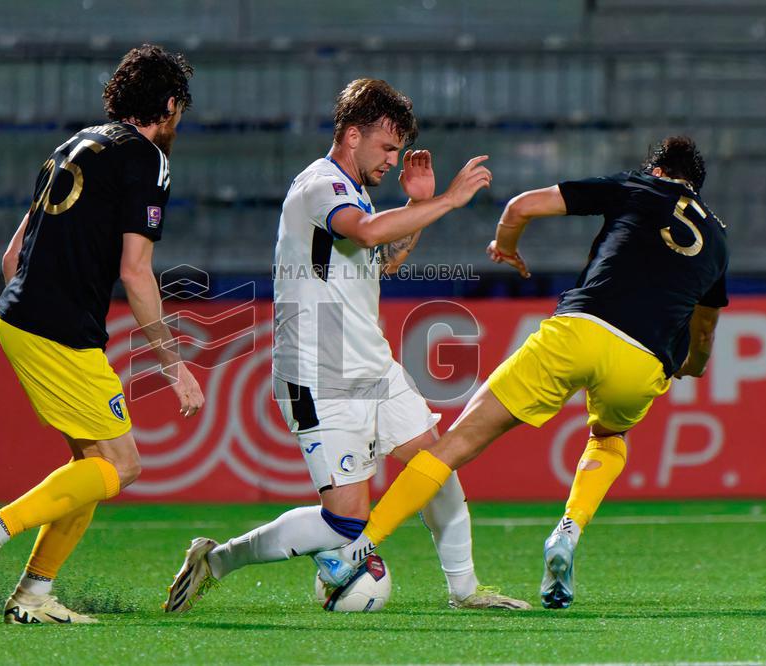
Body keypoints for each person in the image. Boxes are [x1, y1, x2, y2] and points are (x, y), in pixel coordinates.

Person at [314, 135, 729, 610]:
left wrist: (505, 245)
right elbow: (703, 333)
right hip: (644, 362)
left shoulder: (636, 188)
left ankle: (357, 551)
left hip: (581, 329)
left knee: (454, 445)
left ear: (656, 171)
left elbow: (522, 205)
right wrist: (690, 367)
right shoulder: (718, 238)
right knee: (609, 438)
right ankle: (568, 532)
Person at [164, 78, 529, 614]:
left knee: (435, 465)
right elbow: (364, 233)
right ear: (352, 135)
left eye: (398, 150)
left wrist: (415, 205)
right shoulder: (319, 185)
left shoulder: (354, 191)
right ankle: (215, 561)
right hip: (318, 372)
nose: (392, 160)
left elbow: (386, 259)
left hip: (371, 364)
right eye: (386, 148)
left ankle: (466, 591)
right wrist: (448, 201)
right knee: (345, 522)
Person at [0, 44, 204, 624]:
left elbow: (12, 254)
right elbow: (136, 272)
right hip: (59, 330)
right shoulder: (149, 160)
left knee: (89, 464)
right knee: (123, 465)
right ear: (169, 105)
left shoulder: (75, 144)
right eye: (179, 110)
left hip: (18, 316)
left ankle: (34, 595)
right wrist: (175, 366)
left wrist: (38, 306)